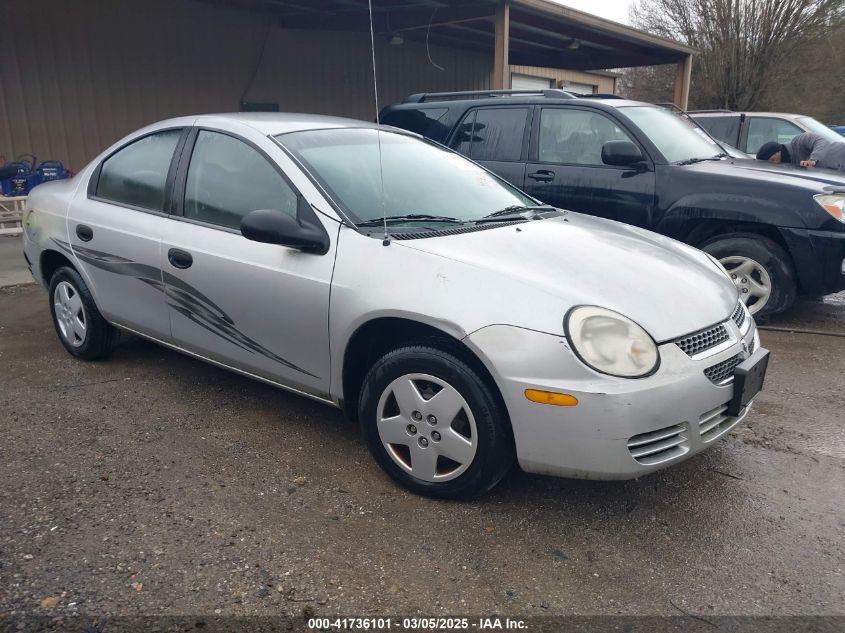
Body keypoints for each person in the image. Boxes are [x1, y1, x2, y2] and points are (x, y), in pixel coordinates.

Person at [756, 132, 845, 172]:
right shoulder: (790, 167)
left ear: (778, 152)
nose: (774, 164)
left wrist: (812, 160)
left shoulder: (798, 141)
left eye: (772, 160)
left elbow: (822, 142)